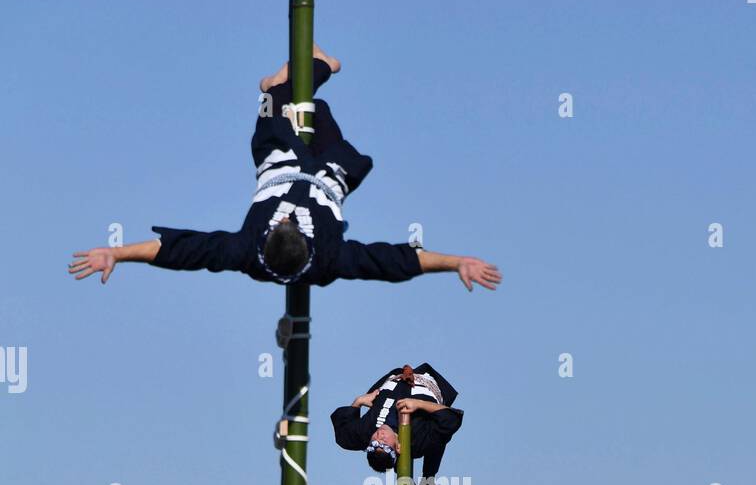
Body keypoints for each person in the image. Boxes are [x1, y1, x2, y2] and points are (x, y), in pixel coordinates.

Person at [68, 47, 502, 294]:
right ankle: (302, 75)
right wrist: (455, 261)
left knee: (278, 99)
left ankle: (299, 75)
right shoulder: (329, 261)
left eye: (282, 222)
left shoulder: (243, 251)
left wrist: (117, 253)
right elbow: (394, 261)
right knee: (317, 112)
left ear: (269, 235)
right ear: (307, 245)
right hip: (330, 173)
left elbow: (180, 249)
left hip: (279, 162)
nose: (288, 217)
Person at [330, 362, 461, 481]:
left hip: (394, 380)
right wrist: (420, 404)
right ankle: (428, 478)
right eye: (384, 442)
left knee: (434, 438)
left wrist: (358, 401)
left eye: (374, 441)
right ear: (398, 446)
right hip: (425, 382)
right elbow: (451, 419)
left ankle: (426, 477)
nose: (379, 435)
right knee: (436, 438)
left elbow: (343, 433)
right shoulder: (416, 440)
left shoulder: (364, 433)